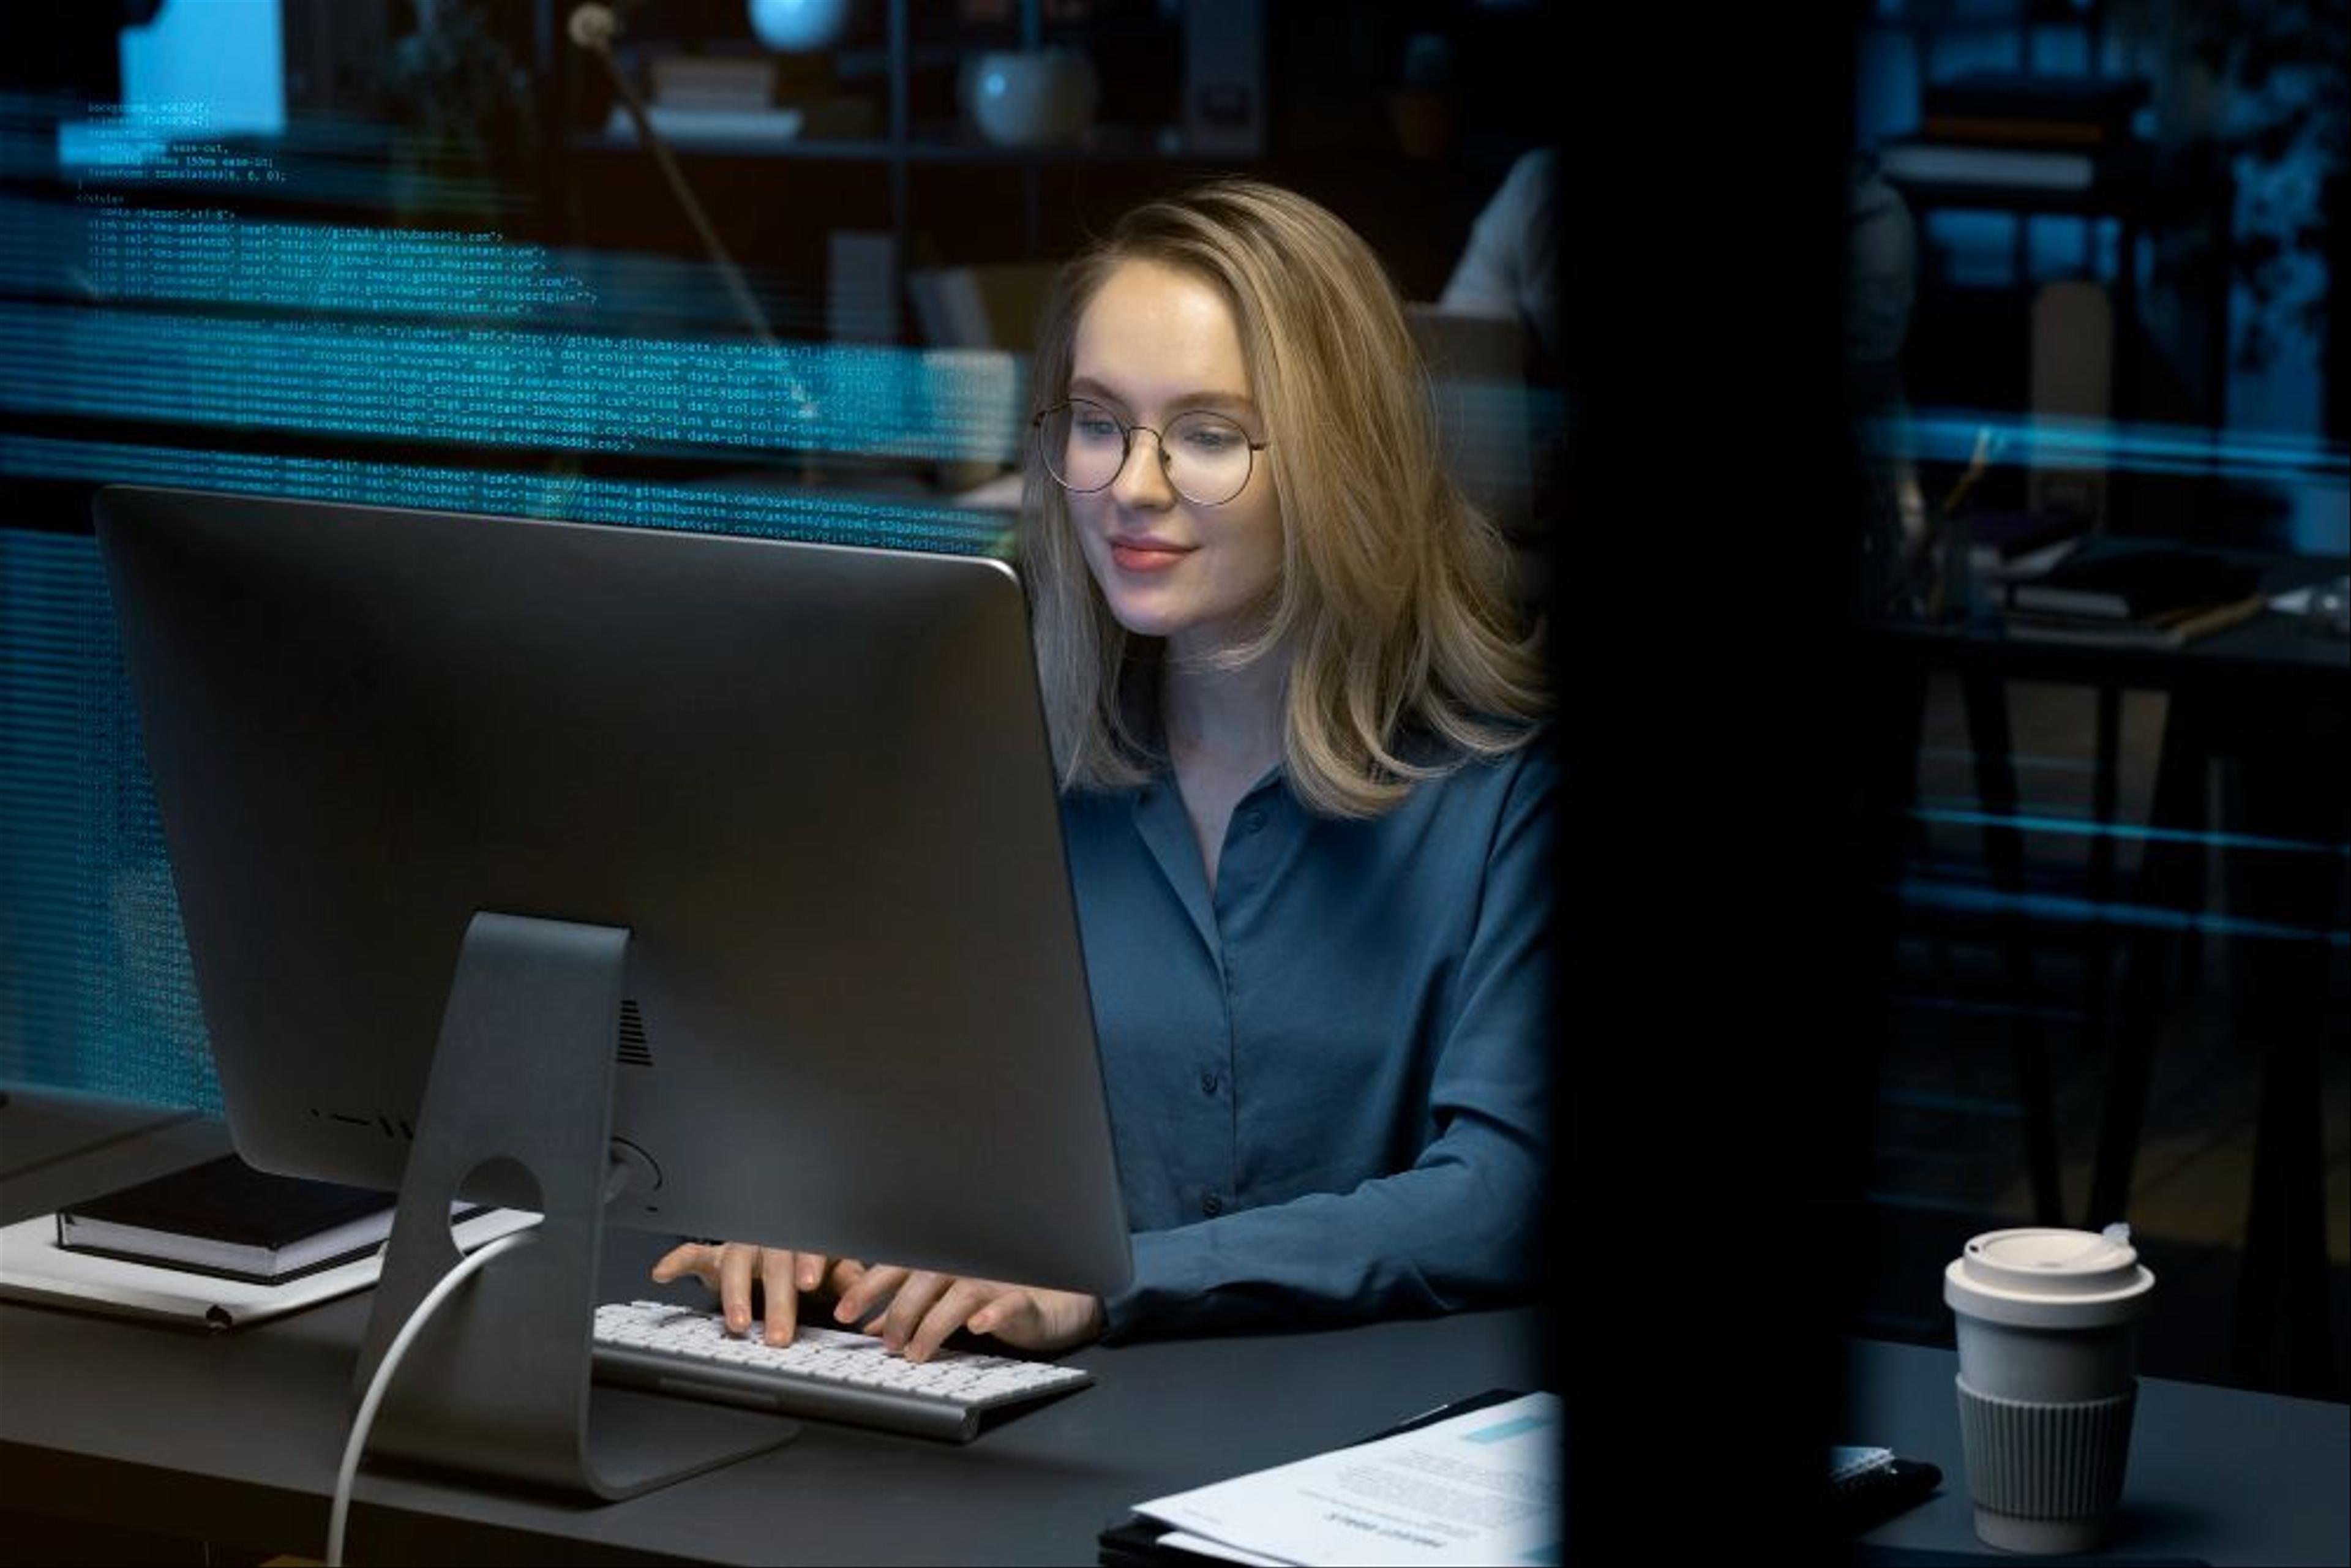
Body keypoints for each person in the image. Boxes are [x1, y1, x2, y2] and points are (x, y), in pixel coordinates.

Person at [654, 179, 1555, 1362]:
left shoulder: (1504, 792)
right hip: (1031, 1432)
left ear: (1347, 461)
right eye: (1097, 421)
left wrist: (1106, 1283)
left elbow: (1502, 1198)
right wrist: (798, 1203)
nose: (1132, 485)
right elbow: (870, 1088)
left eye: (1209, 434)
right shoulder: (985, 753)